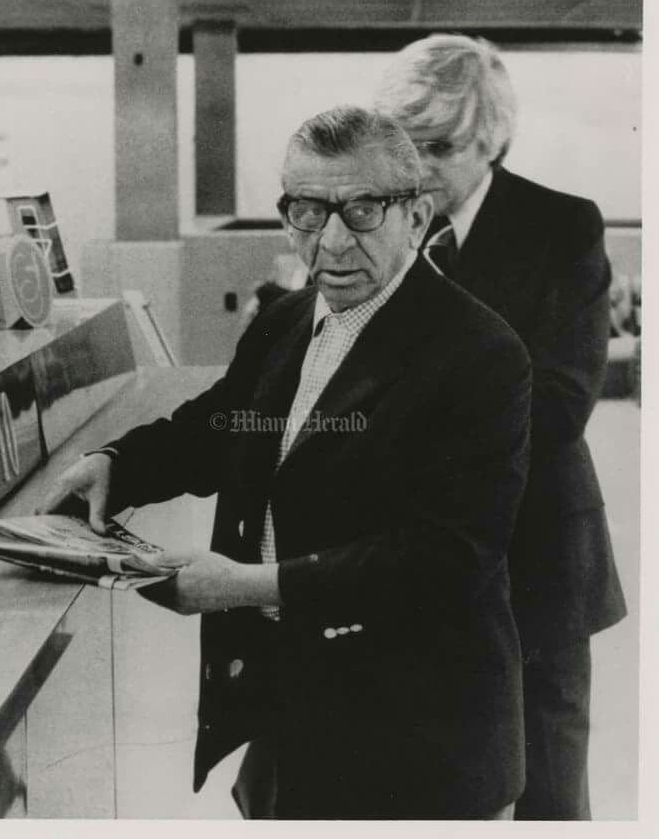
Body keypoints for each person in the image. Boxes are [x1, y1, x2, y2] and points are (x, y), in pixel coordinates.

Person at [39, 106, 532, 819]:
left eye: (362, 210)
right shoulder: (286, 320)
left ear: (417, 216)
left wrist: (247, 584)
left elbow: (448, 554)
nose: (329, 242)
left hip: (422, 742)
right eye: (307, 210)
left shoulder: (480, 355)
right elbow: (223, 424)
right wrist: (120, 464)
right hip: (287, 708)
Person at [374, 34, 627, 820]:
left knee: (548, 786)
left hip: (537, 559)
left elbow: (559, 403)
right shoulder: (381, 225)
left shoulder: (561, 228)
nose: (418, 169)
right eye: (403, 147)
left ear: (492, 138)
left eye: (439, 147)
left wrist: (402, 416)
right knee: (424, 785)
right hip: (414, 562)